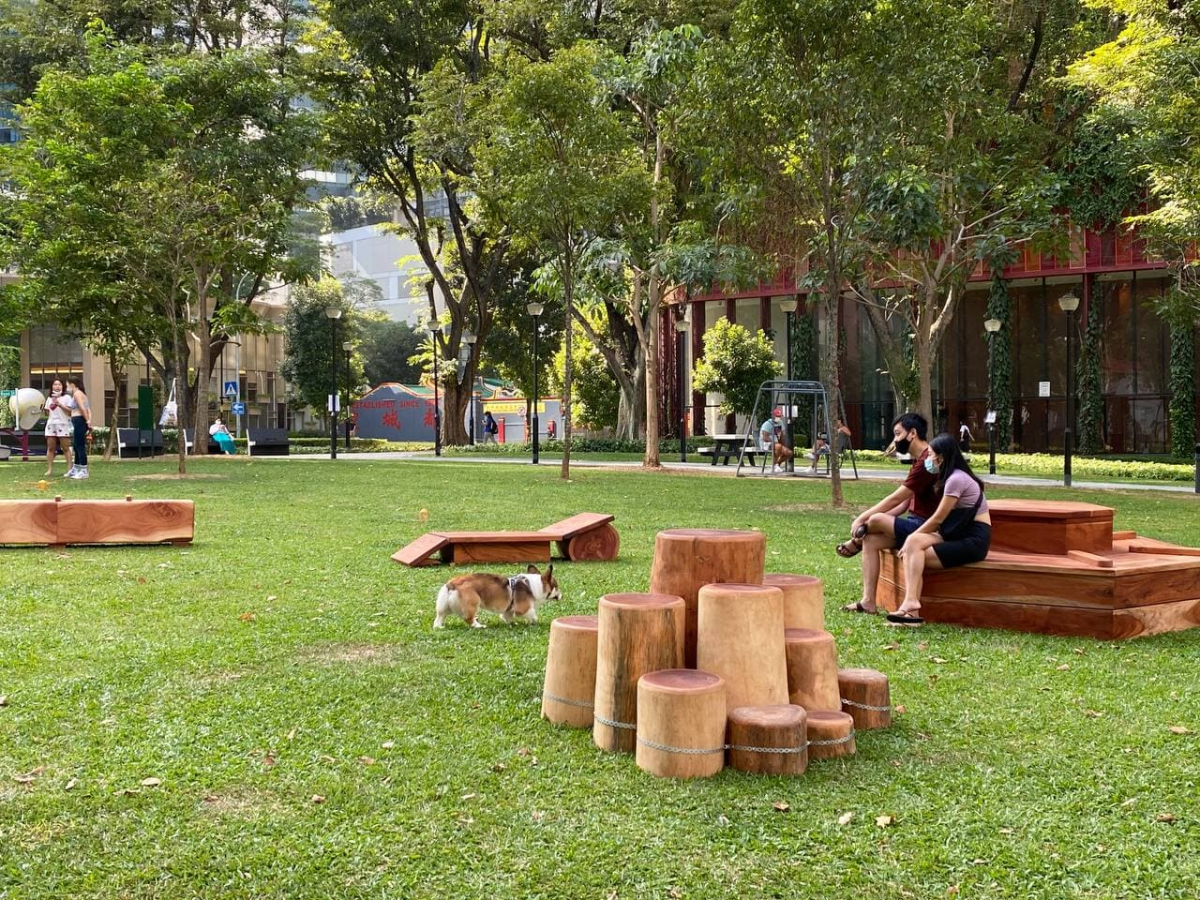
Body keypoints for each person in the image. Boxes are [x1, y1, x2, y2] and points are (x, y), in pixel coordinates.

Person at [885, 433, 992, 626]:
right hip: (956, 533)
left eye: (930, 454)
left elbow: (938, 519)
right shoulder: (949, 477)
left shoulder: (956, 479)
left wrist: (911, 538)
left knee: (914, 552)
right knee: (913, 545)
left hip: (973, 540)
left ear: (941, 457)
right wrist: (912, 540)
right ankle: (911, 610)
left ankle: (911, 608)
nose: (927, 459)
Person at [837, 412, 939, 614]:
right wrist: (877, 522)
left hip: (925, 528)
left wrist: (862, 518)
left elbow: (895, 498)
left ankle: (856, 541)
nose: (895, 440)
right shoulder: (918, 460)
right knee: (871, 540)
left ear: (912, 433)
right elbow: (903, 504)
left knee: (875, 518)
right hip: (913, 523)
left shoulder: (928, 462)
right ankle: (868, 602)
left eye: (898, 434)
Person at [42, 379, 73, 477]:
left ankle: (69, 469)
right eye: (55, 384)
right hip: (51, 424)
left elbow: (70, 411)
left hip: (63, 424)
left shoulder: (67, 398)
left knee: (65, 448)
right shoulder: (49, 398)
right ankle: (49, 469)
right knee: (51, 448)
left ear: (63, 386)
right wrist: (43, 409)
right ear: (52, 387)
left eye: (59, 384)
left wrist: (59, 404)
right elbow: (47, 413)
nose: (57, 386)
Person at [64, 376, 91, 479]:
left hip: (80, 421)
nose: (67, 388)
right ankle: (75, 469)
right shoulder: (81, 394)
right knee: (76, 445)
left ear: (72, 385)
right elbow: (88, 409)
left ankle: (84, 470)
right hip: (78, 421)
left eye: (67, 385)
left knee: (80, 446)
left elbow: (83, 408)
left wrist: (88, 421)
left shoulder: (77, 394)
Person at [759, 407, 793, 474]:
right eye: (777, 416)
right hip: (765, 443)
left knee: (789, 453)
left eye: (779, 416)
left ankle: (777, 465)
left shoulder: (780, 423)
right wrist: (776, 443)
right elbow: (765, 437)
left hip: (777, 444)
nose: (778, 417)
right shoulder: (767, 424)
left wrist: (783, 445)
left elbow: (782, 435)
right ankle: (774, 466)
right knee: (778, 446)